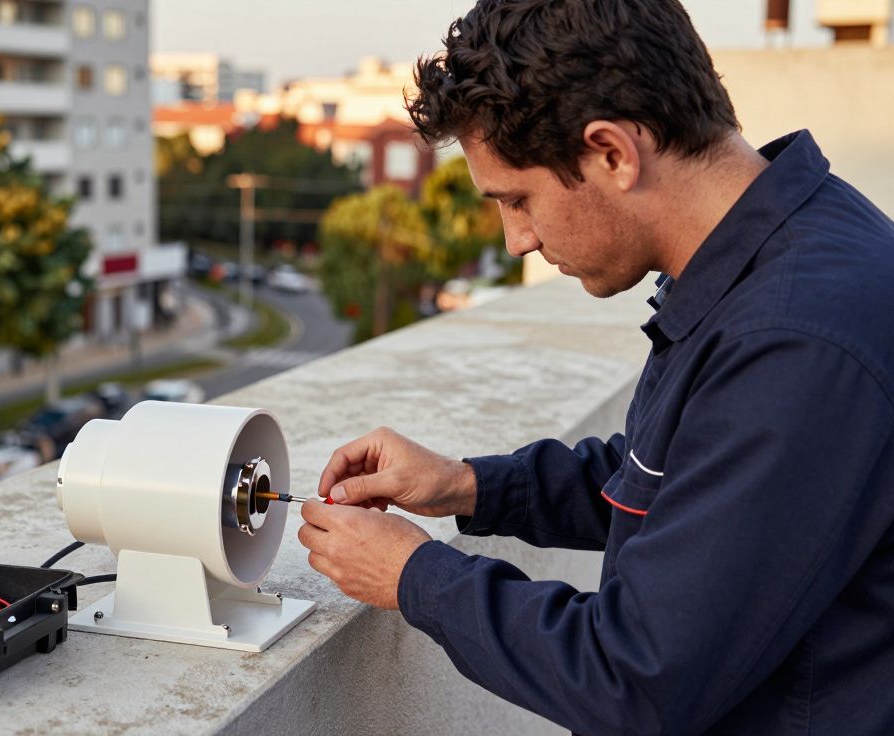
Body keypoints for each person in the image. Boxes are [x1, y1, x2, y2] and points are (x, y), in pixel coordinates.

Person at [296, 0, 894, 733]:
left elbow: (638, 676)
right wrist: (470, 486)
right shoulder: (774, 256)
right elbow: (684, 475)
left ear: (612, 152)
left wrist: (415, 576)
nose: (516, 240)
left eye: (518, 200)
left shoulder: (798, 335)